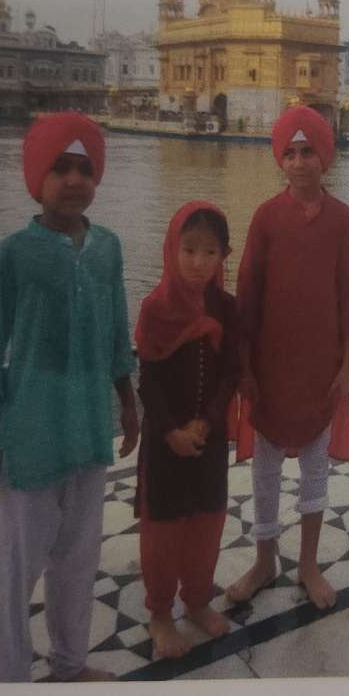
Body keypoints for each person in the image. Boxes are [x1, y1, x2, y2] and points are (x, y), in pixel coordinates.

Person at [0, 112, 139, 683]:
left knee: (78, 561)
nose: (72, 180)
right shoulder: (12, 254)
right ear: (35, 178)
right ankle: (9, 678)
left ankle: (69, 664)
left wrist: (128, 402)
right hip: (32, 433)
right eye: (58, 168)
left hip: (89, 428)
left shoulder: (108, 249)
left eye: (84, 168)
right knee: (19, 573)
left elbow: (117, 333)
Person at [225, 106, 349, 610]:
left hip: (320, 368)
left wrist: (347, 363)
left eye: (309, 152)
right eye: (291, 152)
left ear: (325, 157)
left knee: (314, 469)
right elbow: (247, 295)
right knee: (264, 470)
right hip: (270, 366)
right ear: (280, 159)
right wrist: (244, 367)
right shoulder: (266, 217)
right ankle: (264, 560)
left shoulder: (342, 218)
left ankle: (308, 562)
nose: (301, 162)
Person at [133, 201, 239, 658]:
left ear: (223, 256)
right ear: (172, 250)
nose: (199, 262)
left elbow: (230, 372)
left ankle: (196, 601)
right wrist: (172, 431)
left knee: (206, 523)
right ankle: (160, 614)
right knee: (163, 531)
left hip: (209, 440)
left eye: (210, 252)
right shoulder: (156, 308)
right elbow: (149, 380)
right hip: (164, 444)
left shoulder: (226, 307)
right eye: (189, 250)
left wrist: (208, 421)